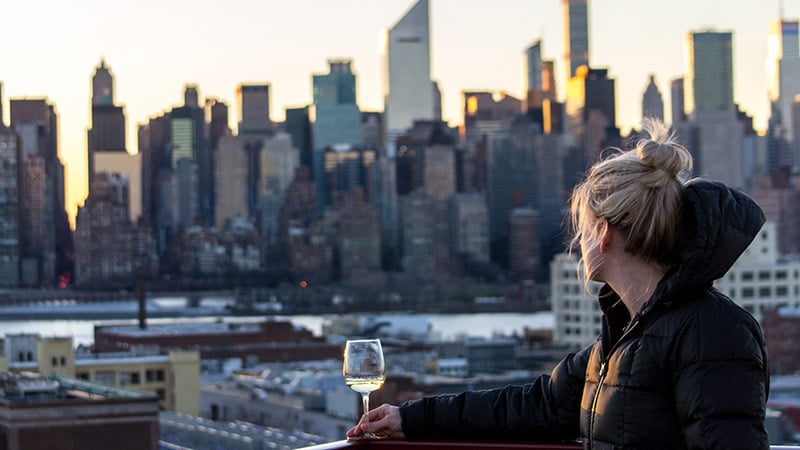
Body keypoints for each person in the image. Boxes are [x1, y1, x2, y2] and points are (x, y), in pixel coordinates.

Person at [346, 118, 770, 449]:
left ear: (604, 233)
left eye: (582, 227)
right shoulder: (620, 340)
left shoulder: (713, 334)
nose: (576, 241)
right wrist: (411, 419)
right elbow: (533, 406)